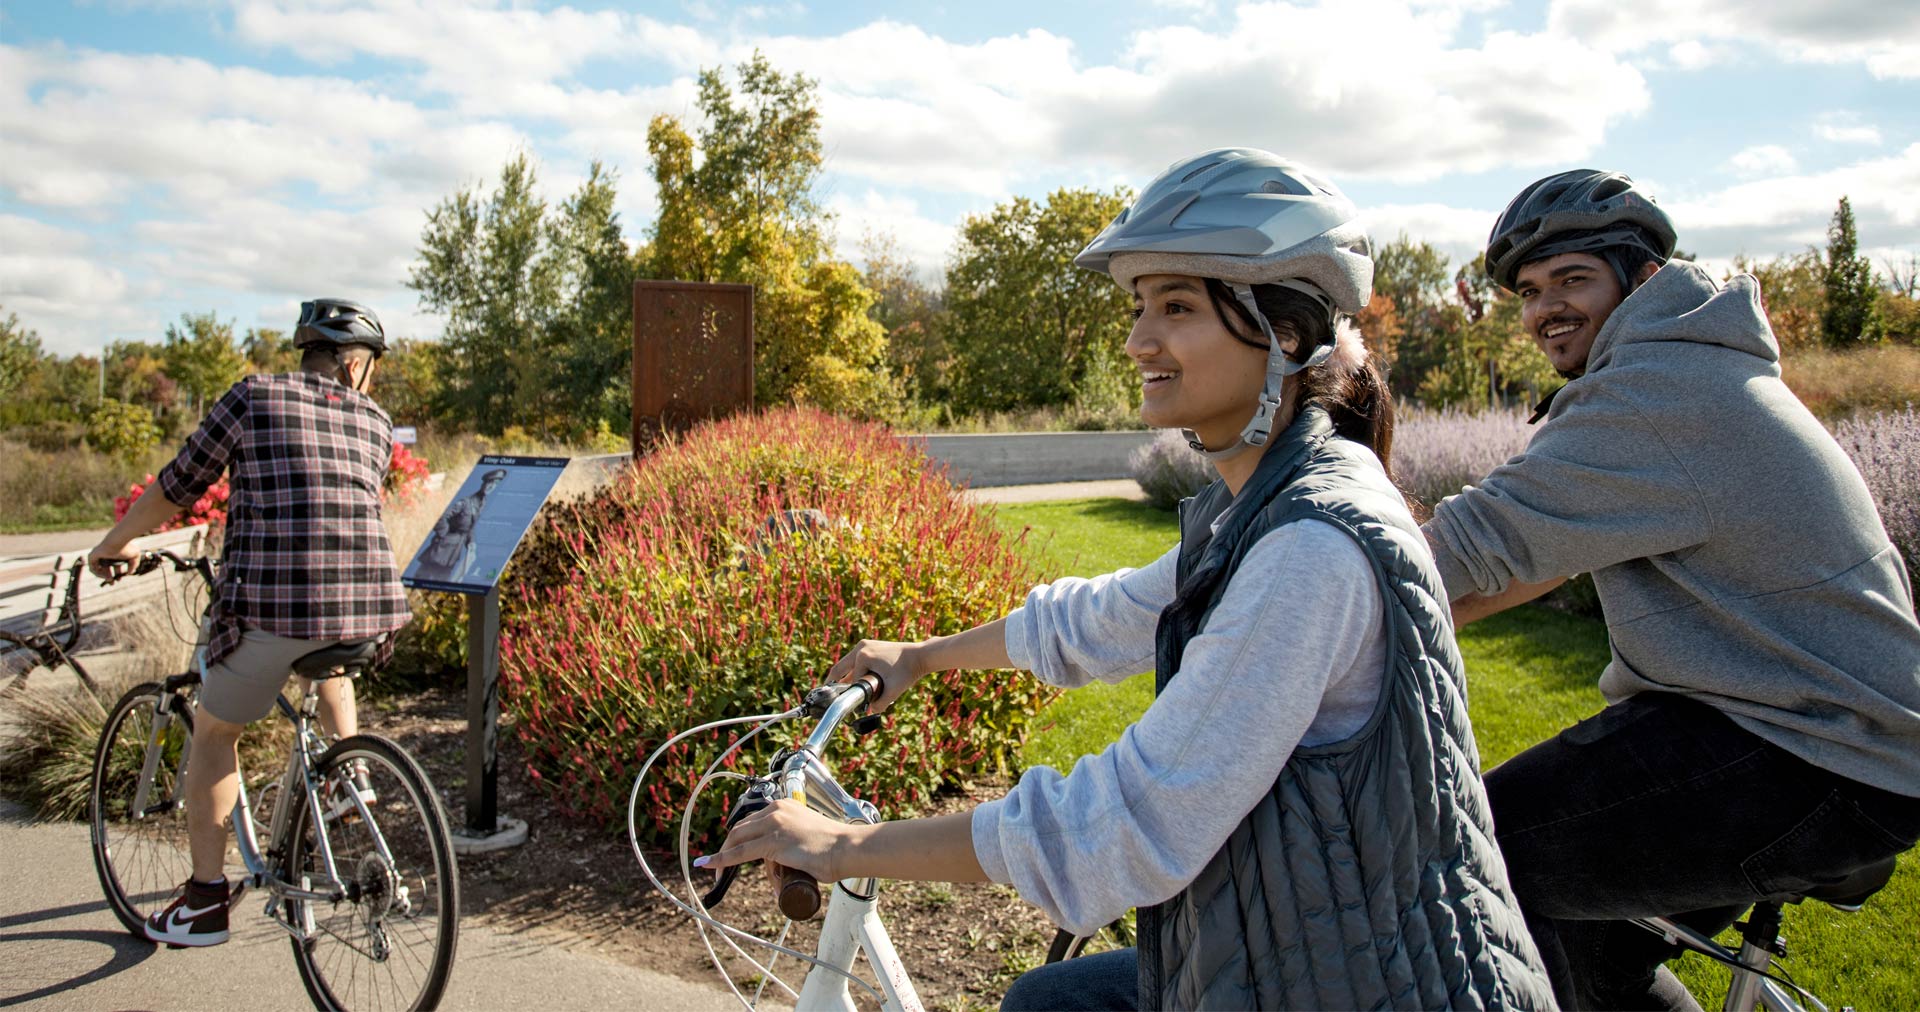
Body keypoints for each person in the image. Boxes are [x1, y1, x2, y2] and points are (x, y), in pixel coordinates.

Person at [703, 149, 1554, 1011]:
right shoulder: (1263, 506)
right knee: (1047, 1002)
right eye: (1140, 306)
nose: (1136, 339)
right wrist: (922, 655)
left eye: (1176, 307)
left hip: (1373, 979)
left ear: (1285, 333)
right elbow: (1107, 618)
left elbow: (1129, 821)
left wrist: (846, 844)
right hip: (1307, 941)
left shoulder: (1311, 548)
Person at [1422, 169, 1920, 1010]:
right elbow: (1525, 563)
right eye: (1532, 291)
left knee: (1479, 859)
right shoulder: (1682, 371)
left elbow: (1474, 547)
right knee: (1579, 943)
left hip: (1814, 750)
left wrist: (1294, 607)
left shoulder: (1660, 390)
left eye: (1573, 279)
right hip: (1806, 732)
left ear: (1643, 278)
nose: (1547, 308)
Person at [89, 297, 412, 948]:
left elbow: (180, 485)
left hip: (270, 611)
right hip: (369, 615)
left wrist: (116, 542)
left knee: (215, 732)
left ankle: (206, 903)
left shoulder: (253, 397)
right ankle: (352, 779)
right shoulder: (375, 423)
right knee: (327, 646)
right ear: (355, 368)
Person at [414, 468, 506, 583]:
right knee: (422, 579)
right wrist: (444, 536)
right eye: (490, 482)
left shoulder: (481, 504)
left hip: (453, 554)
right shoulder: (465, 502)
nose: (491, 487)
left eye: (495, 484)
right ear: (484, 483)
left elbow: (470, 527)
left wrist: (471, 541)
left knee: (444, 583)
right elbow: (442, 518)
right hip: (440, 551)